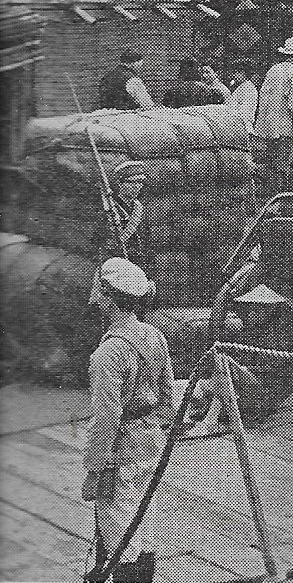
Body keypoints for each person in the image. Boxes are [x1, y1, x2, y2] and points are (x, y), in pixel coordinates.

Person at [82, 258, 174, 583]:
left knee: (118, 533)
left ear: (107, 297)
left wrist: (94, 470)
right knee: (143, 527)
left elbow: (106, 419)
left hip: (120, 456)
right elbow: (166, 402)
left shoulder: (107, 355)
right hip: (151, 447)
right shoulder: (154, 337)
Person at [254, 36, 293, 199]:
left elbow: (264, 95)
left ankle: (267, 195)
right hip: (285, 124)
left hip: (270, 124)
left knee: (271, 159)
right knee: (282, 162)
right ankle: (277, 198)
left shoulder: (273, 70)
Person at [91, 161, 154, 279]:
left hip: (138, 271)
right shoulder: (108, 210)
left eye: (140, 182)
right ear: (120, 183)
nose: (137, 186)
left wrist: (149, 277)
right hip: (115, 271)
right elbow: (97, 243)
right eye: (131, 182)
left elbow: (147, 244)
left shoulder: (140, 210)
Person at [162, 57, 229, 108]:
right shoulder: (206, 90)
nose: (204, 75)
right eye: (202, 72)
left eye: (207, 72)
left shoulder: (222, 91)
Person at [224, 59, 258, 137]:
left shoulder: (248, 88)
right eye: (234, 72)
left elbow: (245, 112)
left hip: (242, 127)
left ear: (245, 73)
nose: (234, 75)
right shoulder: (241, 87)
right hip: (235, 125)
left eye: (238, 73)